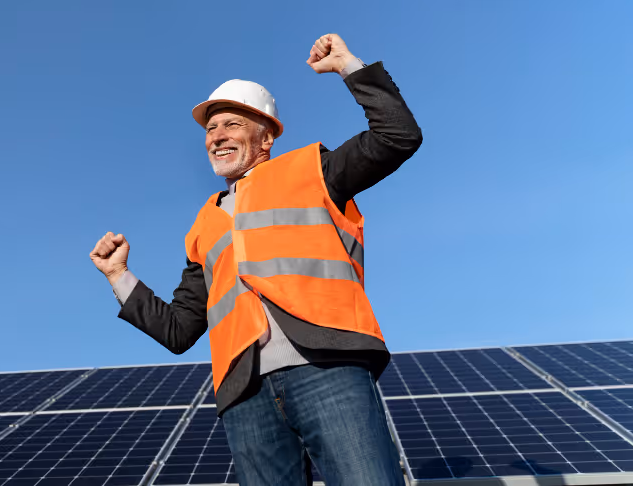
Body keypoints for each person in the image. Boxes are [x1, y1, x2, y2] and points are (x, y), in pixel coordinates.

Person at [89, 34, 422, 486]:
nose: (217, 136)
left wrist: (350, 67)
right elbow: (179, 331)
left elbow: (397, 136)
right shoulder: (203, 226)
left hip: (326, 368)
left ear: (265, 135)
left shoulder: (313, 170)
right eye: (211, 129)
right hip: (245, 394)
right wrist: (119, 276)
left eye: (231, 124)